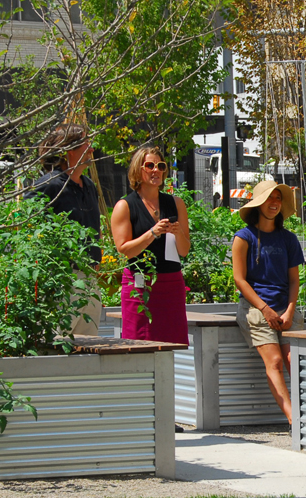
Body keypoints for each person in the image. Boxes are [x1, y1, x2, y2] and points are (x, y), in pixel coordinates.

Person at [232, 180, 304, 425]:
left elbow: (294, 281)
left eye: (278, 198)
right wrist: (265, 309)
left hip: (286, 309)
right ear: (258, 203)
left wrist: (290, 312)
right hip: (256, 309)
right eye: (269, 198)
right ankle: (295, 420)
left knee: (295, 360)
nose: (274, 203)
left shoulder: (288, 239)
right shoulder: (244, 237)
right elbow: (240, 280)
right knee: (274, 361)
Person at [27, 123, 102, 336]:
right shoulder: (48, 186)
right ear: (69, 150)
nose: (91, 148)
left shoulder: (88, 185)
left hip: (90, 281)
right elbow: (28, 228)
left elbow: (95, 226)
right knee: (58, 344)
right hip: (62, 280)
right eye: (86, 143)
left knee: (88, 348)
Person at [110, 146, 190, 345]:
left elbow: (184, 250)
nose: (156, 170)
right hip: (139, 285)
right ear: (138, 169)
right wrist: (152, 233)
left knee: (172, 343)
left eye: (160, 166)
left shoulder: (176, 203)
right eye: (150, 165)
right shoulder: (125, 206)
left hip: (171, 283)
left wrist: (178, 232)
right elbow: (124, 250)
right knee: (139, 343)